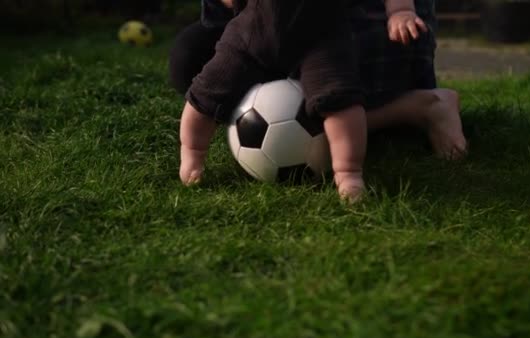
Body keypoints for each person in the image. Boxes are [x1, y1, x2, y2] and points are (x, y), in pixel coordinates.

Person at [169, 0, 467, 201]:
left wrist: (400, 10)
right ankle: (193, 153)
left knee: (340, 102)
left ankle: (348, 171)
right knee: (207, 92)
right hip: (253, 30)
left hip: (321, 35)